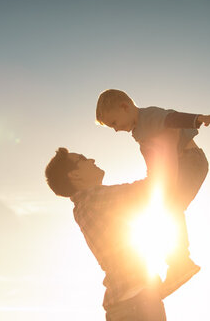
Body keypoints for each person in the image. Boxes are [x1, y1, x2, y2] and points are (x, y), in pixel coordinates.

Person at [45, 130, 189, 321]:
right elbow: (155, 187)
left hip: (132, 303)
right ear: (75, 175)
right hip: (137, 305)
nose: (92, 160)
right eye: (83, 158)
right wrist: (167, 146)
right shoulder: (93, 200)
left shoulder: (88, 205)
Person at [95, 89, 210, 297]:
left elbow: (172, 118)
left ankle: (181, 262)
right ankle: (176, 261)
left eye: (114, 123)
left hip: (191, 162)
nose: (116, 130)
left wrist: (200, 118)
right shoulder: (138, 130)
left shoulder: (149, 116)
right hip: (178, 166)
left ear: (125, 107)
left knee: (171, 208)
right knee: (164, 209)